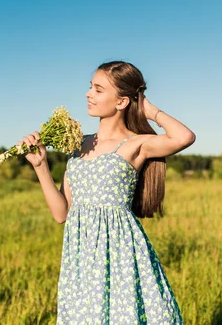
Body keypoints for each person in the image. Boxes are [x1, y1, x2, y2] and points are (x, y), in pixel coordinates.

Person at [18, 61, 195, 324]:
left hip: (120, 252)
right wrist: (41, 166)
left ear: (122, 101)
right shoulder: (78, 145)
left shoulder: (135, 144)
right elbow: (61, 214)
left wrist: (149, 110)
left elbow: (184, 137)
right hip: (80, 257)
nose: (89, 94)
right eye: (90, 87)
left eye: (98, 89)